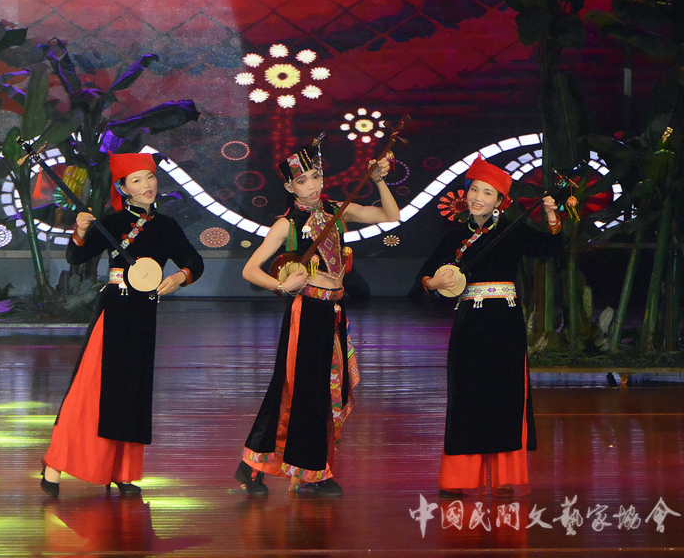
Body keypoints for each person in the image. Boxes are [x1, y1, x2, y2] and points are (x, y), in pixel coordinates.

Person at [235, 144, 400, 497]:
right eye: (302, 181)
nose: (311, 186)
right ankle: (295, 469)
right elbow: (250, 270)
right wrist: (282, 286)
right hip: (307, 311)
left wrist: (377, 180)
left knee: (327, 391)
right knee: (299, 391)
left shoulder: (337, 210)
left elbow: (390, 216)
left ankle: (301, 468)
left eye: (315, 177)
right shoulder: (286, 224)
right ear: (289, 187)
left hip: (334, 311)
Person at [40, 151, 204, 497]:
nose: (146, 185)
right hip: (114, 310)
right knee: (93, 388)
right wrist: (81, 230)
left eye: (150, 177)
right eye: (136, 180)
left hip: (145, 311)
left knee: (134, 391)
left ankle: (123, 471)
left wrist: (180, 277)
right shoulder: (112, 223)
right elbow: (77, 256)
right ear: (123, 188)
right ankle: (55, 464)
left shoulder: (167, 225)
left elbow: (194, 261)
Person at [417, 156, 562, 497]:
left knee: (504, 398)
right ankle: (460, 478)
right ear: (465, 194)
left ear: (500, 201)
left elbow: (552, 248)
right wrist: (434, 283)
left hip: (504, 325)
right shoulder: (454, 236)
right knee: (466, 399)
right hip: (469, 324)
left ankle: (504, 476)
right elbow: (423, 277)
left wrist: (551, 215)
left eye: (487, 193)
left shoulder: (513, 231)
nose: (478, 198)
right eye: (474, 190)